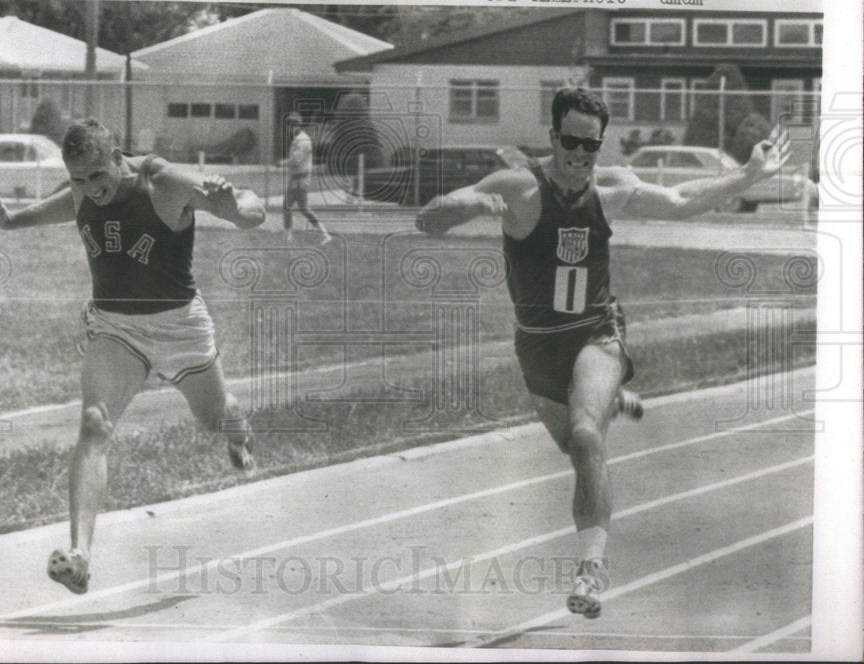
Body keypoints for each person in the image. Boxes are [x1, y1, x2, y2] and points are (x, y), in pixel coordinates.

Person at [416, 87, 788, 619]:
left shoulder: (610, 189)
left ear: (599, 145)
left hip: (597, 331)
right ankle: (613, 400)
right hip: (537, 344)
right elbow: (425, 221)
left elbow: (682, 200)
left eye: (591, 145)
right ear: (552, 137)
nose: (580, 155)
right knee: (574, 446)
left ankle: (591, 571)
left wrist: (751, 174)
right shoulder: (518, 188)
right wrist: (464, 205)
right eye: (571, 142)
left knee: (588, 436)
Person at [0, 119, 266, 595]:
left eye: (97, 177)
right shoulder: (84, 190)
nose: (91, 190)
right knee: (94, 423)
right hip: (116, 328)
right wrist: (9, 221)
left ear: (118, 159)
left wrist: (233, 208)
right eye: (78, 180)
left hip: (180, 328)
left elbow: (255, 209)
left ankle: (237, 431)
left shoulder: (162, 182)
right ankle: (79, 556)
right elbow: (60, 207)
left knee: (217, 417)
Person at [278, 112, 331, 244]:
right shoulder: (299, 139)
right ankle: (290, 237)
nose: (290, 128)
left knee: (293, 207)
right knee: (294, 207)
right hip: (297, 177)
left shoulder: (302, 140)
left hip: (300, 178)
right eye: (289, 125)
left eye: (292, 125)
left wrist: (282, 163)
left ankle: (322, 234)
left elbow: (297, 160)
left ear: (298, 126)